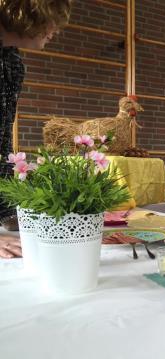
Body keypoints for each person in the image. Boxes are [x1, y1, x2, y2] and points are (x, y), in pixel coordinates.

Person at [0, 0, 73, 258]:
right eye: (55, 16)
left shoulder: (11, 61)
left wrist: (10, 214)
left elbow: (2, 143)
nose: (58, 28)